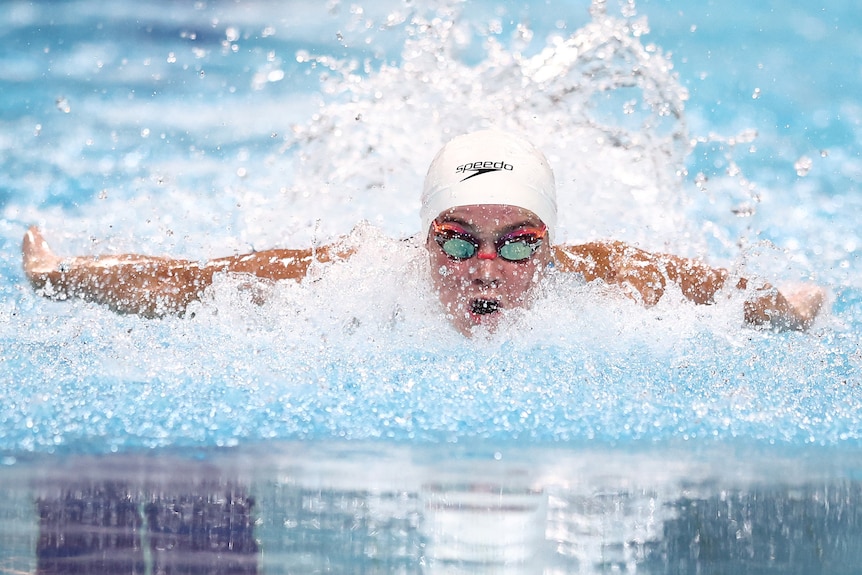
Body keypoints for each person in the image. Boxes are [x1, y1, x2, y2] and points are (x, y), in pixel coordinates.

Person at [22, 129, 825, 335]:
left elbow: (727, 299)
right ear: (421, 240)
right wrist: (63, 276)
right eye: (455, 238)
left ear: (549, 245)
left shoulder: (608, 278)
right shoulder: (354, 276)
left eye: (517, 242)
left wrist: (778, 310)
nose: (484, 265)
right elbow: (198, 284)